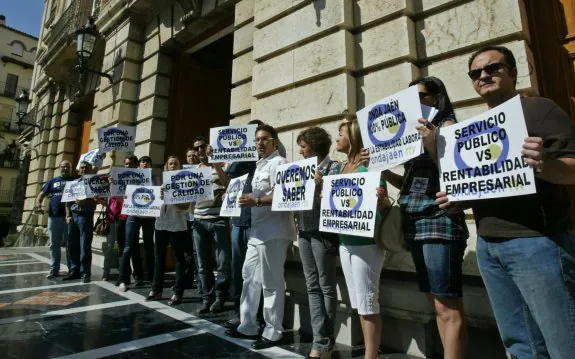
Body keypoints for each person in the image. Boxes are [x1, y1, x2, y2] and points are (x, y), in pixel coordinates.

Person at [436, 45, 575, 359]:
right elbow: (487, 185)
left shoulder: (541, 109)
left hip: (538, 242)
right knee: (520, 345)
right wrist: (459, 199)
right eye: (476, 73)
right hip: (489, 246)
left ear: (512, 73)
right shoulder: (474, 129)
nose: (484, 75)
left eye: (493, 68)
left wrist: (545, 165)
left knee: (563, 341)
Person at [381, 77, 469, 359]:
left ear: (436, 97)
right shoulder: (411, 134)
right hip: (414, 219)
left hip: (439, 220)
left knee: (447, 305)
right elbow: (410, 182)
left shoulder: (448, 127)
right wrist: (382, 170)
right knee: (436, 303)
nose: (414, 101)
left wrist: (432, 146)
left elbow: (459, 172)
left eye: (420, 95)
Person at [225, 124, 297, 350]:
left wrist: (256, 201)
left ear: (275, 142)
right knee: (249, 277)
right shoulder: (258, 166)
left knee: (271, 281)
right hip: (257, 232)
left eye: (265, 139)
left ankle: (273, 331)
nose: (260, 143)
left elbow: (285, 193)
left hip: (274, 232)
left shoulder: (280, 163)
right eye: (257, 140)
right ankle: (248, 325)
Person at [336, 119, 388, 359]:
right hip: (344, 242)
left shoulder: (370, 166)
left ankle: (371, 355)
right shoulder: (341, 168)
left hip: (366, 243)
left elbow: (383, 204)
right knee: (358, 301)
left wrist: (382, 199)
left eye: (341, 133)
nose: (337, 138)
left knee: (368, 301)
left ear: (354, 137)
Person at [295, 127, 341, 358]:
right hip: (303, 232)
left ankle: (325, 342)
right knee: (312, 287)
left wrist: (322, 185)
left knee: (326, 287)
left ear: (314, 146)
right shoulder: (300, 170)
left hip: (323, 235)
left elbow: (340, 202)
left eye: (303, 146)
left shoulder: (335, 168)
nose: (300, 151)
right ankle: (320, 339)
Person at [192, 136, 231, 314]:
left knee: (222, 262)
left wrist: (215, 162)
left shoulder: (222, 165)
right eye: (197, 148)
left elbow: (227, 184)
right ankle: (207, 298)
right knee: (202, 263)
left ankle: (220, 297)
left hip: (219, 220)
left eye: (202, 147)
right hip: (199, 221)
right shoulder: (192, 172)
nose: (200, 151)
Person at [146, 156, 191, 306]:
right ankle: (156, 289)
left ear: (179, 167)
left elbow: (185, 207)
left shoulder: (184, 184)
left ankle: (177, 292)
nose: (172, 166)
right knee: (159, 257)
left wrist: (171, 197)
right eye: (170, 164)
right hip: (160, 224)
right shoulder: (161, 184)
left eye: (175, 164)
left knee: (178, 259)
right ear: (166, 166)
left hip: (177, 225)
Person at [119, 155, 156, 291]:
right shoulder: (131, 177)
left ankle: (153, 279)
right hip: (133, 215)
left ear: (151, 165)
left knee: (149, 247)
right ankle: (123, 280)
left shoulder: (155, 178)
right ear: (139, 165)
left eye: (148, 162)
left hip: (149, 217)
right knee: (128, 247)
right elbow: (119, 193)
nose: (145, 164)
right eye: (143, 162)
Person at [35, 160, 76, 279]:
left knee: (70, 245)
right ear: (59, 168)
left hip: (70, 218)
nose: (65, 168)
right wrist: (38, 204)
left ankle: (72, 270)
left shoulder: (75, 180)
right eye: (63, 167)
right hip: (53, 217)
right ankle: (54, 270)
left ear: (71, 169)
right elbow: (41, 194)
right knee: (54, 245)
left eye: (67, 167)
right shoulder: (53, 181)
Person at [103, 155, 139, 282]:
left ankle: (136, 274)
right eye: (126, 164)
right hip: (120, 217)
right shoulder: (119, 178)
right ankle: (124, 275)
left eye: (130, 164)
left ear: (136, 165)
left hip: (134, 216)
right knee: (122, 247)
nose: (128, 166)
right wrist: (112, 184)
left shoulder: (140, 178)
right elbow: (114, 197)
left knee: (132, 246)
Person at [64, 161, 102, 283]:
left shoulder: (95, 183)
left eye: (86, 168)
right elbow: (67, 201)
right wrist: (68, 215)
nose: (84, 170)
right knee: (71, 244)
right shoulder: (73, 183)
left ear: (91, 170)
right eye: (82, 168)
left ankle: (85, 273)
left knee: (85, 245)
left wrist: (87, 200)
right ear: (79, 170)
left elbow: (99, 200)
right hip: (73, 216)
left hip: (85, 216)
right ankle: (74, 270)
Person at [183, 148, 200, 291]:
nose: (192, 157)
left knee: (197, 251)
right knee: (187, 251)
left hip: (198, 216)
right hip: (185, 218)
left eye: (194, 155)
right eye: (189, 155)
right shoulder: (181, 174)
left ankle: (200, 280)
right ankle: (187, 280)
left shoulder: (204, 172)